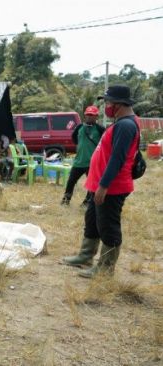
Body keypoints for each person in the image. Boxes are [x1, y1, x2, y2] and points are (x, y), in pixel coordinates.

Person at [62, 85, 139, 278]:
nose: (106, 106)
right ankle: (86, 255)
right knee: (93, 221)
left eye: (108, 102)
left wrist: (103, 186)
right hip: (99, 184)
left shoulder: (126, 125)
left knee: (108, 225)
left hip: (112, 187)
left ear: (119, 104)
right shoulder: (120, 122)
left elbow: (117, 159)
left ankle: (105, 269)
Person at [61, 106, 106, 206]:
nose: (89, 117)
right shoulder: (79, 127)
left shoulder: (100, 129)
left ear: (96, 116)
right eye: (88, 115)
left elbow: (105, 144)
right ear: (85, 116)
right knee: (71, 181)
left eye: (92, 115)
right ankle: (66, 200)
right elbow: (74, 138)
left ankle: (87, 202)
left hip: (93, 162)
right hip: (79, 161)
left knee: (92, 184)